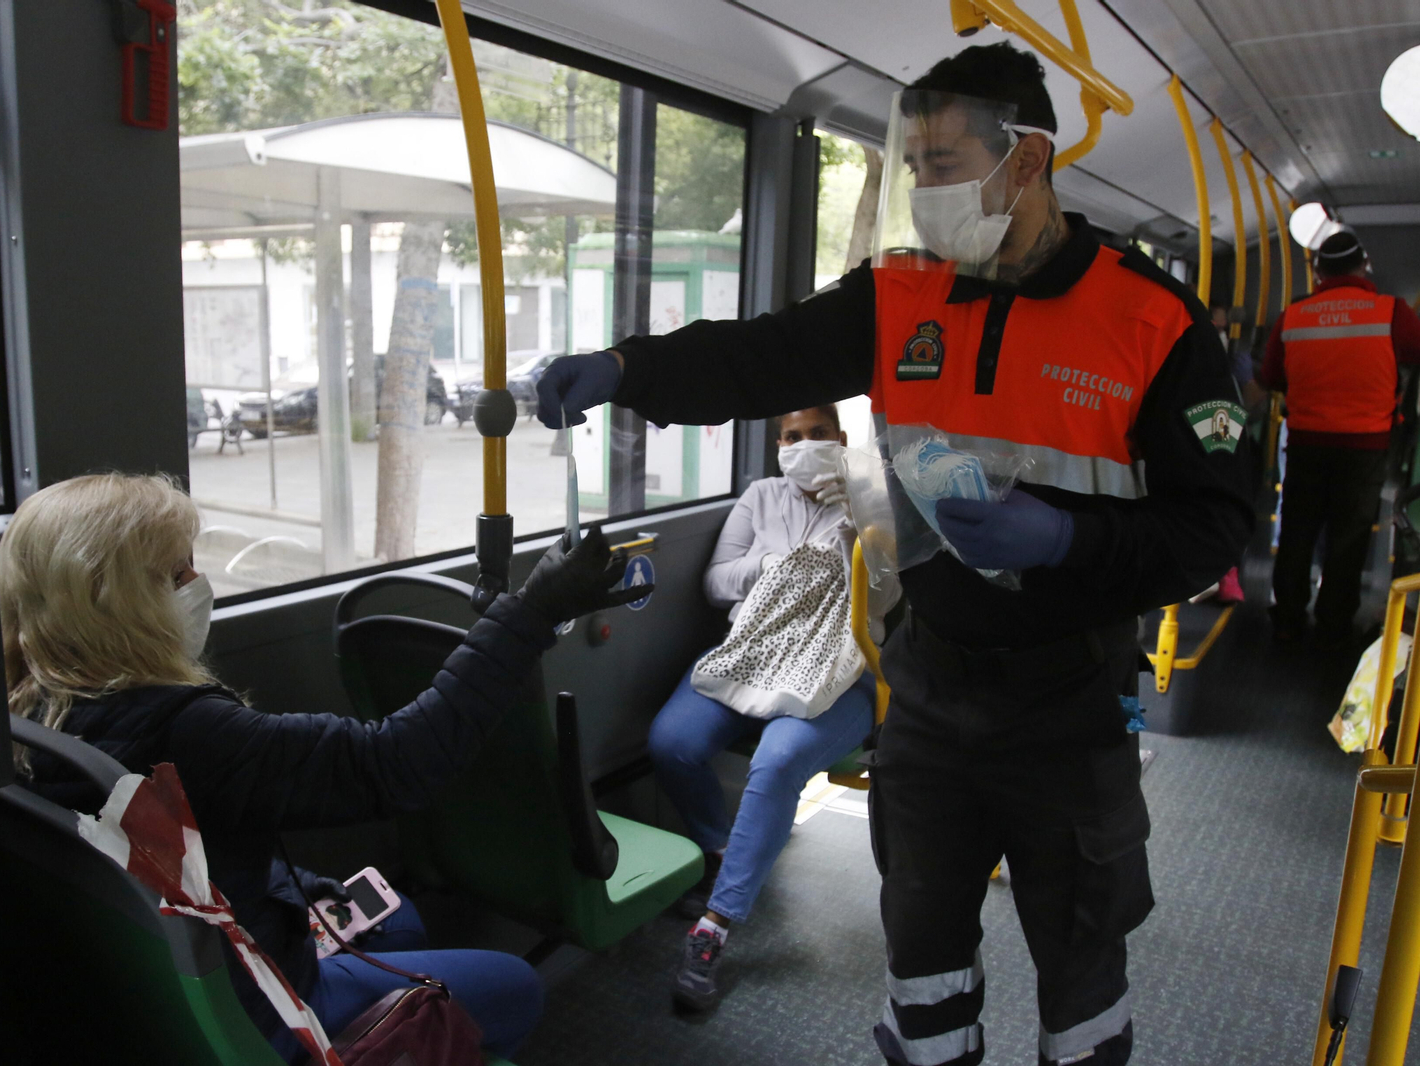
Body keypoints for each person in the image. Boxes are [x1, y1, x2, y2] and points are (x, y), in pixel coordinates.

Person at [535, 42, 1252, 1066]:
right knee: (919, 954)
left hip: (1069, 701)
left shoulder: (1150, 320)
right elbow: (759, 354)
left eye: (943, 162)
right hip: (925, 693)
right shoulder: (900, 294)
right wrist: (626, 366)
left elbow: (1213, 522)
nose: (922, 188)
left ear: (1026, 160)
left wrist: (1063, 536)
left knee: (1081, 965)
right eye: (910, 163)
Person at [0, 472, 648, 1063]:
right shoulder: (188, 731)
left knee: (402, 921)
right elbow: (397, 763)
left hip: (151, 990)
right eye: (177, 572)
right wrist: (533, 612)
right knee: (516, 988)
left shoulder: (25, 713)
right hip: (257, 1004)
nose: (198, 585)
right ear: (121, 602)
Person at [652, 404, 902, 1011]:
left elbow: (890, 591)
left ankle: (716, 923)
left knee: (777, 761)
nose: (806, 445)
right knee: (672, 743)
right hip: (755, 648)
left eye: (819, 436)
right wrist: (775, 570)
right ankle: (721, 854)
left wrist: (857, 534)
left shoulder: (872, 496)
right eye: (793, 438)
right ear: (779, 447)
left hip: (840, 666)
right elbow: (716, 582)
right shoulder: (760, 498)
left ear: (840, 440)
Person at [1257, 229, 1420, 645]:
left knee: (1297, 529)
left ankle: (1288, 619)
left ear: (1317, 272)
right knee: (1348, 535)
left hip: (1307, 443)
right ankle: (1333, 621)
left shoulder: (1295, 315)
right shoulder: (1391, 312)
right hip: (1364, 447)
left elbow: (1271, 376)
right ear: (1363, 266)